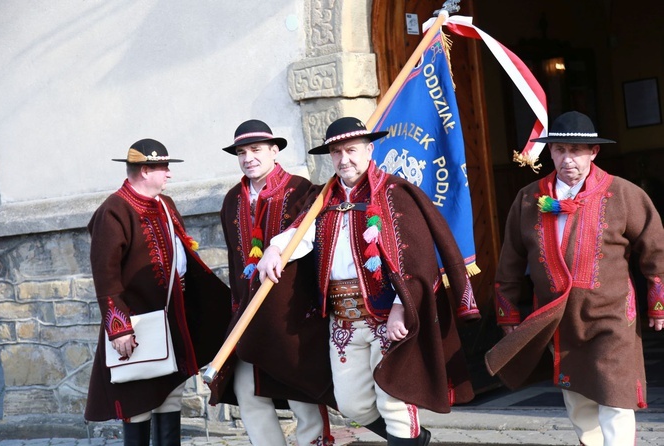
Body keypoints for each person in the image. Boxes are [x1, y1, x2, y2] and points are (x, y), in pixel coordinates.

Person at [257, 117, 481, 446]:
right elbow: (299, 234)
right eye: (336, 152)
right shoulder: (324, 198)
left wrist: (400, 308)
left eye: (351, 150)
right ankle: (414, 440)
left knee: (394, 399)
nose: (344, 159)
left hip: (386, 315)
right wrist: (274, 250)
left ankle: (406, 438)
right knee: (352, 404)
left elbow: (417, 260)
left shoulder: (394, 193)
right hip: (343, 320)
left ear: (369, 150)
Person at [485, 111, 664, 446]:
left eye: (577, 150)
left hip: (612, 316)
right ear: (550, 153)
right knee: (578, 400)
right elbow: (511, 257)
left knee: (615, 396)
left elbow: (655, 248)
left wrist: (658, 303)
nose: (568, 159)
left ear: (593, 152)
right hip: (560, 318)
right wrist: (507, 312)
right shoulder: (528, 198)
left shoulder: (623, 194)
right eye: (560, 150)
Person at [84, 139, 232, 446]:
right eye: (163, 168)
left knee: (170, 397)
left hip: (172, 321)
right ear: (145, 170)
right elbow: (105, 275)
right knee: (137, 403)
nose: (169, 175)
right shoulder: (113, 211)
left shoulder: (166, 204)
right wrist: (119, 328)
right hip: (136, 329)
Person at [209, 119, 334, 446]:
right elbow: (235, 261)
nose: (248, 157)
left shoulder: (300, 190)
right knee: (247, 393)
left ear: (274, 150)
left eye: (255, 150)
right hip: (247, 317)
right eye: (241, 152)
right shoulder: (231, 200)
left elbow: (310, 241)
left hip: (289, 317)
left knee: (300, 394)